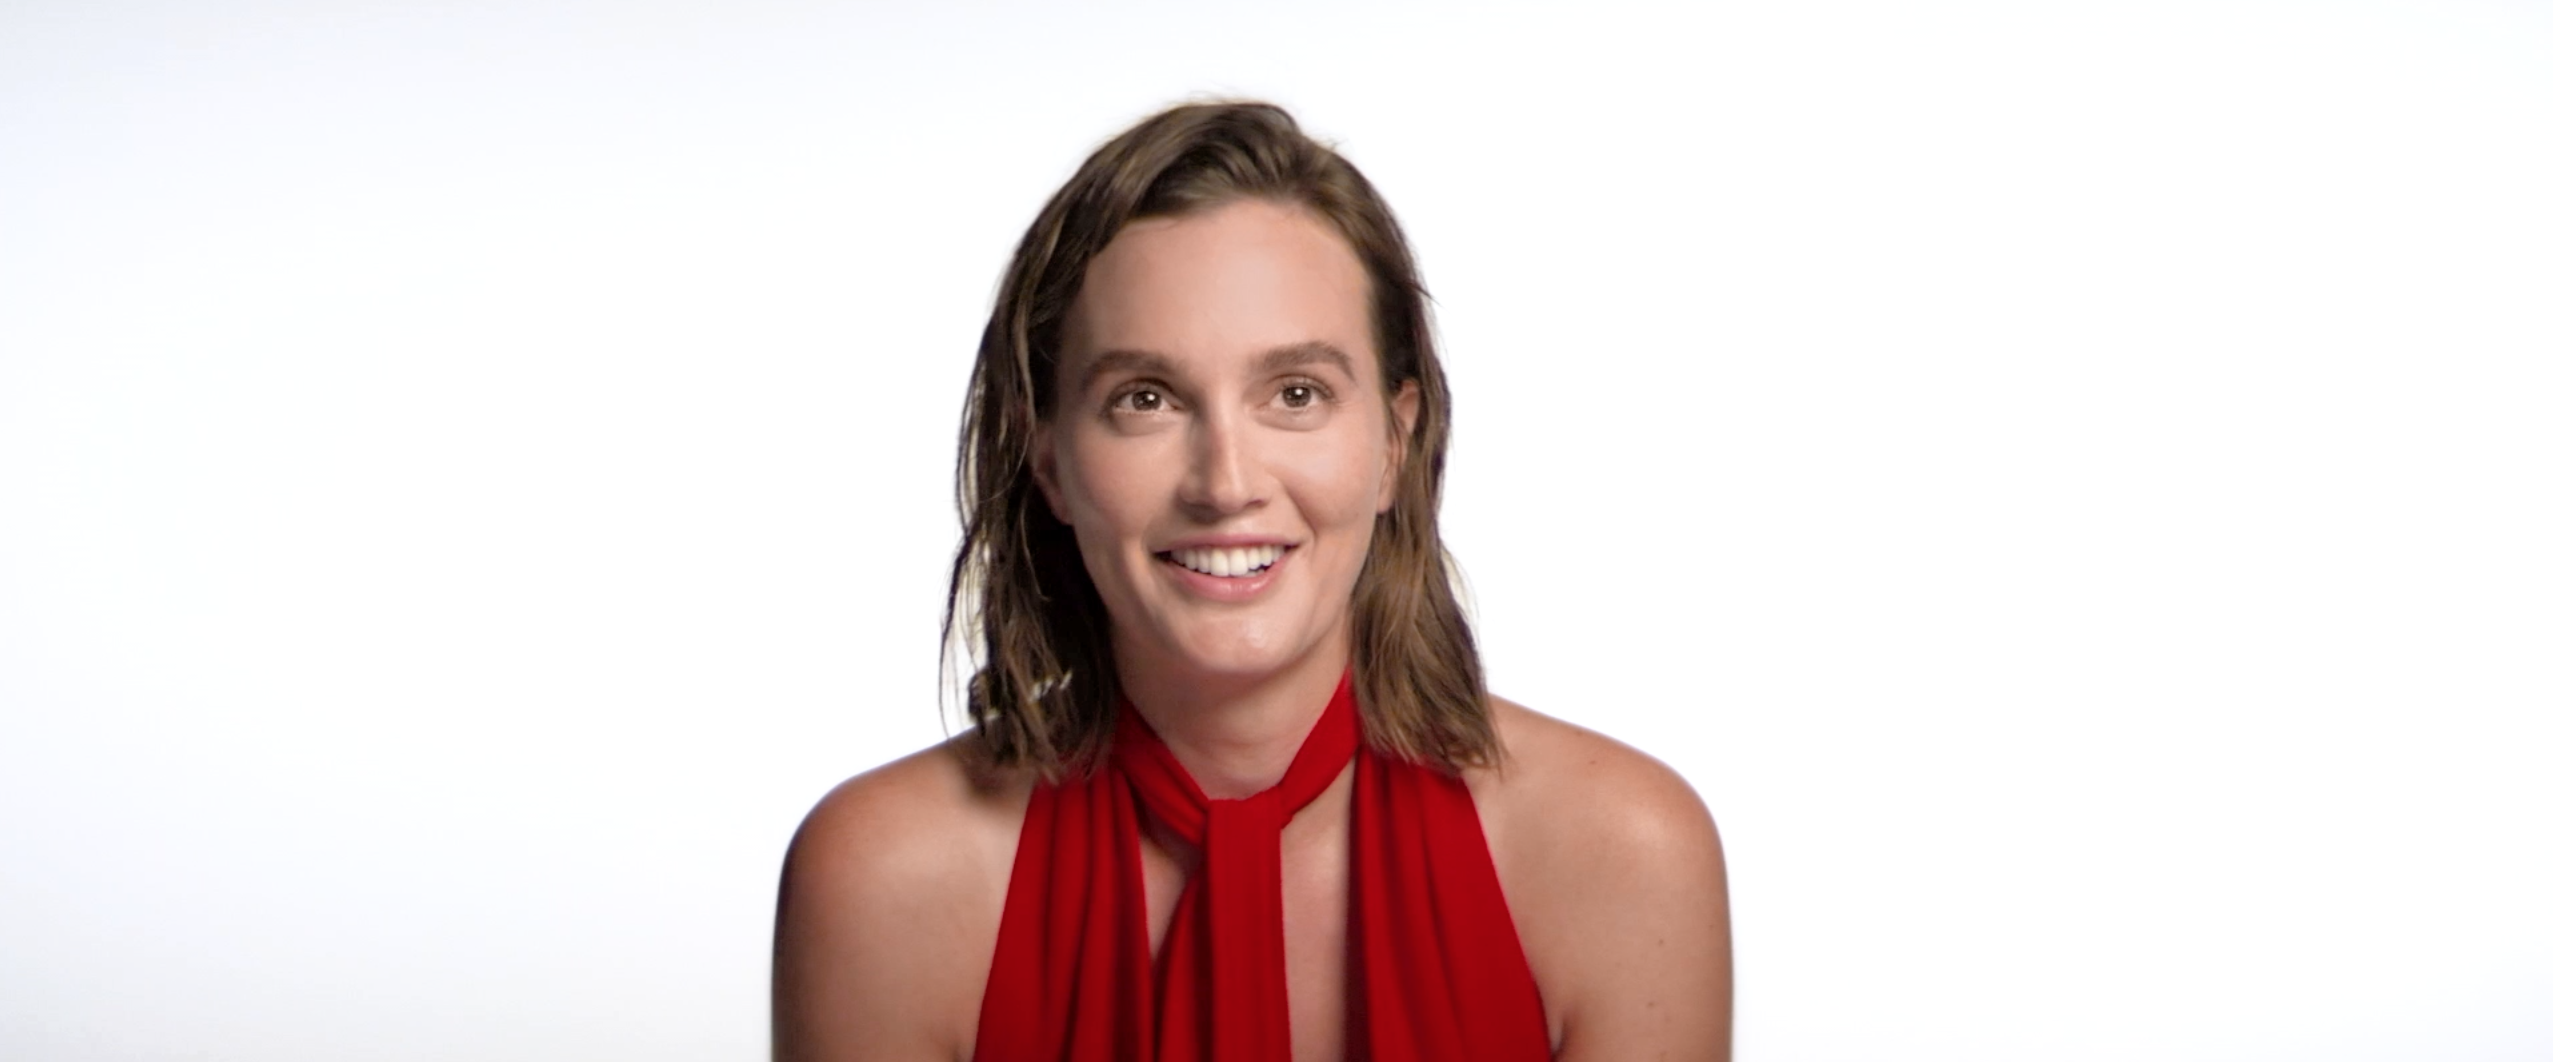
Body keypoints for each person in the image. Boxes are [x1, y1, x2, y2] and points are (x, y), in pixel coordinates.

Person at [773, 100, 1730, 1061]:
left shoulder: (1621, 855)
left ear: (1394, 443)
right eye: (1145, 398)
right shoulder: (884, 881)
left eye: (1295, 394)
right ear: (1050, 459)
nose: (1225, 484)